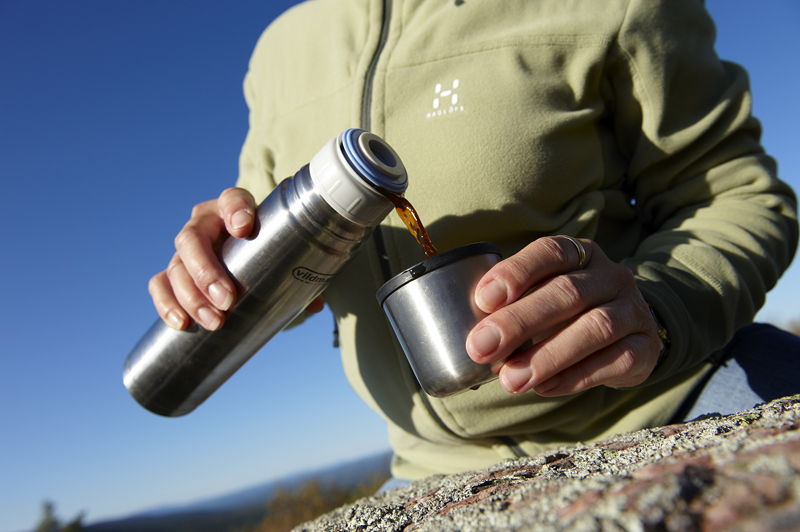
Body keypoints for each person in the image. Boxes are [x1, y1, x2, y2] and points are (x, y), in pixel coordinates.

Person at [147, 0, 799, 485]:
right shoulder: (280, 52)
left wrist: (658, 310)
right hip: (430, 468)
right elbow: (283, 257)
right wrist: (220, 262)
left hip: (671, 402)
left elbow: (738, 195)